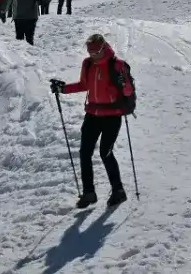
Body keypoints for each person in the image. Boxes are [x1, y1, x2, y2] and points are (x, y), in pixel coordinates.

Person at [50, 34, 133, 208]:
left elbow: (128, 92)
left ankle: (118, 191)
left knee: (105, 152)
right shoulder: (87, 64)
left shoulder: (117, 65)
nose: (92, 54)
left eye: (95, 51)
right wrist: (63, 89)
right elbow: (84, 85)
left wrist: (124, 82)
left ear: (103, 48)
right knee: (84, 153)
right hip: (92, 115)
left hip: (112, 115)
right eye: (90, 51)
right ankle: (89, 193)